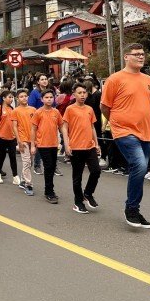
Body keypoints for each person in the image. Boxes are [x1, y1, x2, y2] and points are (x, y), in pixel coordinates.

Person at [101, 43, 150, 229]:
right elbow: (105, 106)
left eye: (143, 54)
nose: (141, 57)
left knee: (139, 172)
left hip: (146, 132)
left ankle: (134, 208)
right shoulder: (115, 79)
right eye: (136, 54)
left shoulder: (148, 80)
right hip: (124, 131)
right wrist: (117, 122)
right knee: (140, 166)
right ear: (126, 57)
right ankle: (131, 209)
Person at [62, 84, 101, 214]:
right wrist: (67, 145)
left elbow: (92, 127)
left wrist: (96, 144)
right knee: (77, 177)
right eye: (80, 93)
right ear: (74, 94)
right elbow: (64, 128)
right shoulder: (70, 109)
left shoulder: (89, 109)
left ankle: (88, 193)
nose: (83, 95)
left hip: (89, 146)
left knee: (96, 171)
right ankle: (78, 203)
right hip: (76, 147)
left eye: (84, 92)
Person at [31, 90, 63, 204]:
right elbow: (33, 129)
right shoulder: (38, 112)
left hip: (54, 144)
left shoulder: (56, 112)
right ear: (42, 99)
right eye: (46, 97)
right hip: (42, 144)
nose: (49, 99)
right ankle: (49, 192)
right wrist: (32, 145)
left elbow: (61, 126)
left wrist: (65, 140)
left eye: (51, 97)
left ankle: (49, 190)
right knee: (48, 167)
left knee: (52, 167)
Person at [11, 89, 36, 196]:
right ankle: (28, 184)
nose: (24, 98)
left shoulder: (33, 109)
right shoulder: (15, 111)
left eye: (25, 96)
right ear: (17, 99)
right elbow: (15, 127)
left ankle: (22, 180)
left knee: (30, 161)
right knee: (27, 162)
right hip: (23, 139)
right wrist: (19, 141)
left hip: (32, 139)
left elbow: (36, 126)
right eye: (21, 96)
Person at [0, 91, 19, 185]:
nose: (11, 99)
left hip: (12, 137)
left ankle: (15, 176)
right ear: (4, 98)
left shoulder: (13, 109)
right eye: (9, 97)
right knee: (2, 156)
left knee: (13, 156)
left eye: (12, 97)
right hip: (1, 136)